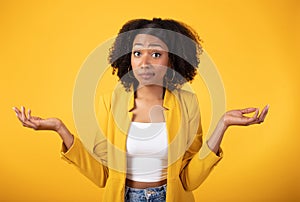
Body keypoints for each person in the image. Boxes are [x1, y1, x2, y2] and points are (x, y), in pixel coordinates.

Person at [13, 18, 269, 202]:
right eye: (137, 53)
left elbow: (189, 179)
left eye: (156, 54)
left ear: (173, 60)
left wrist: (223, 124)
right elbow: (102, 175)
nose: (144, 62)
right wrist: (60, 129)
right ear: (129, 58)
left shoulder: (187, 104)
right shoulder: (108, 103)